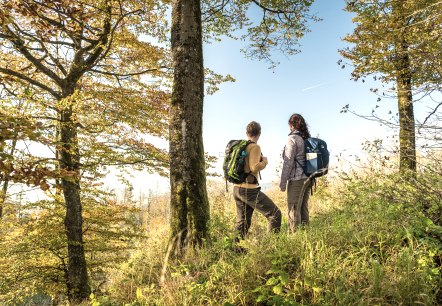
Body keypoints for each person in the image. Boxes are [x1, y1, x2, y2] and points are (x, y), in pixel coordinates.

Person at [233, 121, 282, 242]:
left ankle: (235, 249)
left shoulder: (242, 146)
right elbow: (254, 167)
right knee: (274, 214)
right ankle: (272, 247)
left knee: (242, 222)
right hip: (249, 190)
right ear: (259, 134)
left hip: (237, 188)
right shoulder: (255, 147)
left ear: (247, 133)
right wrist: (264, 162)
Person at [279, 114, 312, 232]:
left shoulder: (292, 138)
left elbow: (288, 162)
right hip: (309, 177)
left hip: (297, 179)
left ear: (291, 125)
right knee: (303, 208)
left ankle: (294, 238)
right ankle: (306, 235)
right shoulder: (306, 138)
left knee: (293, 209)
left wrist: (283, 183)